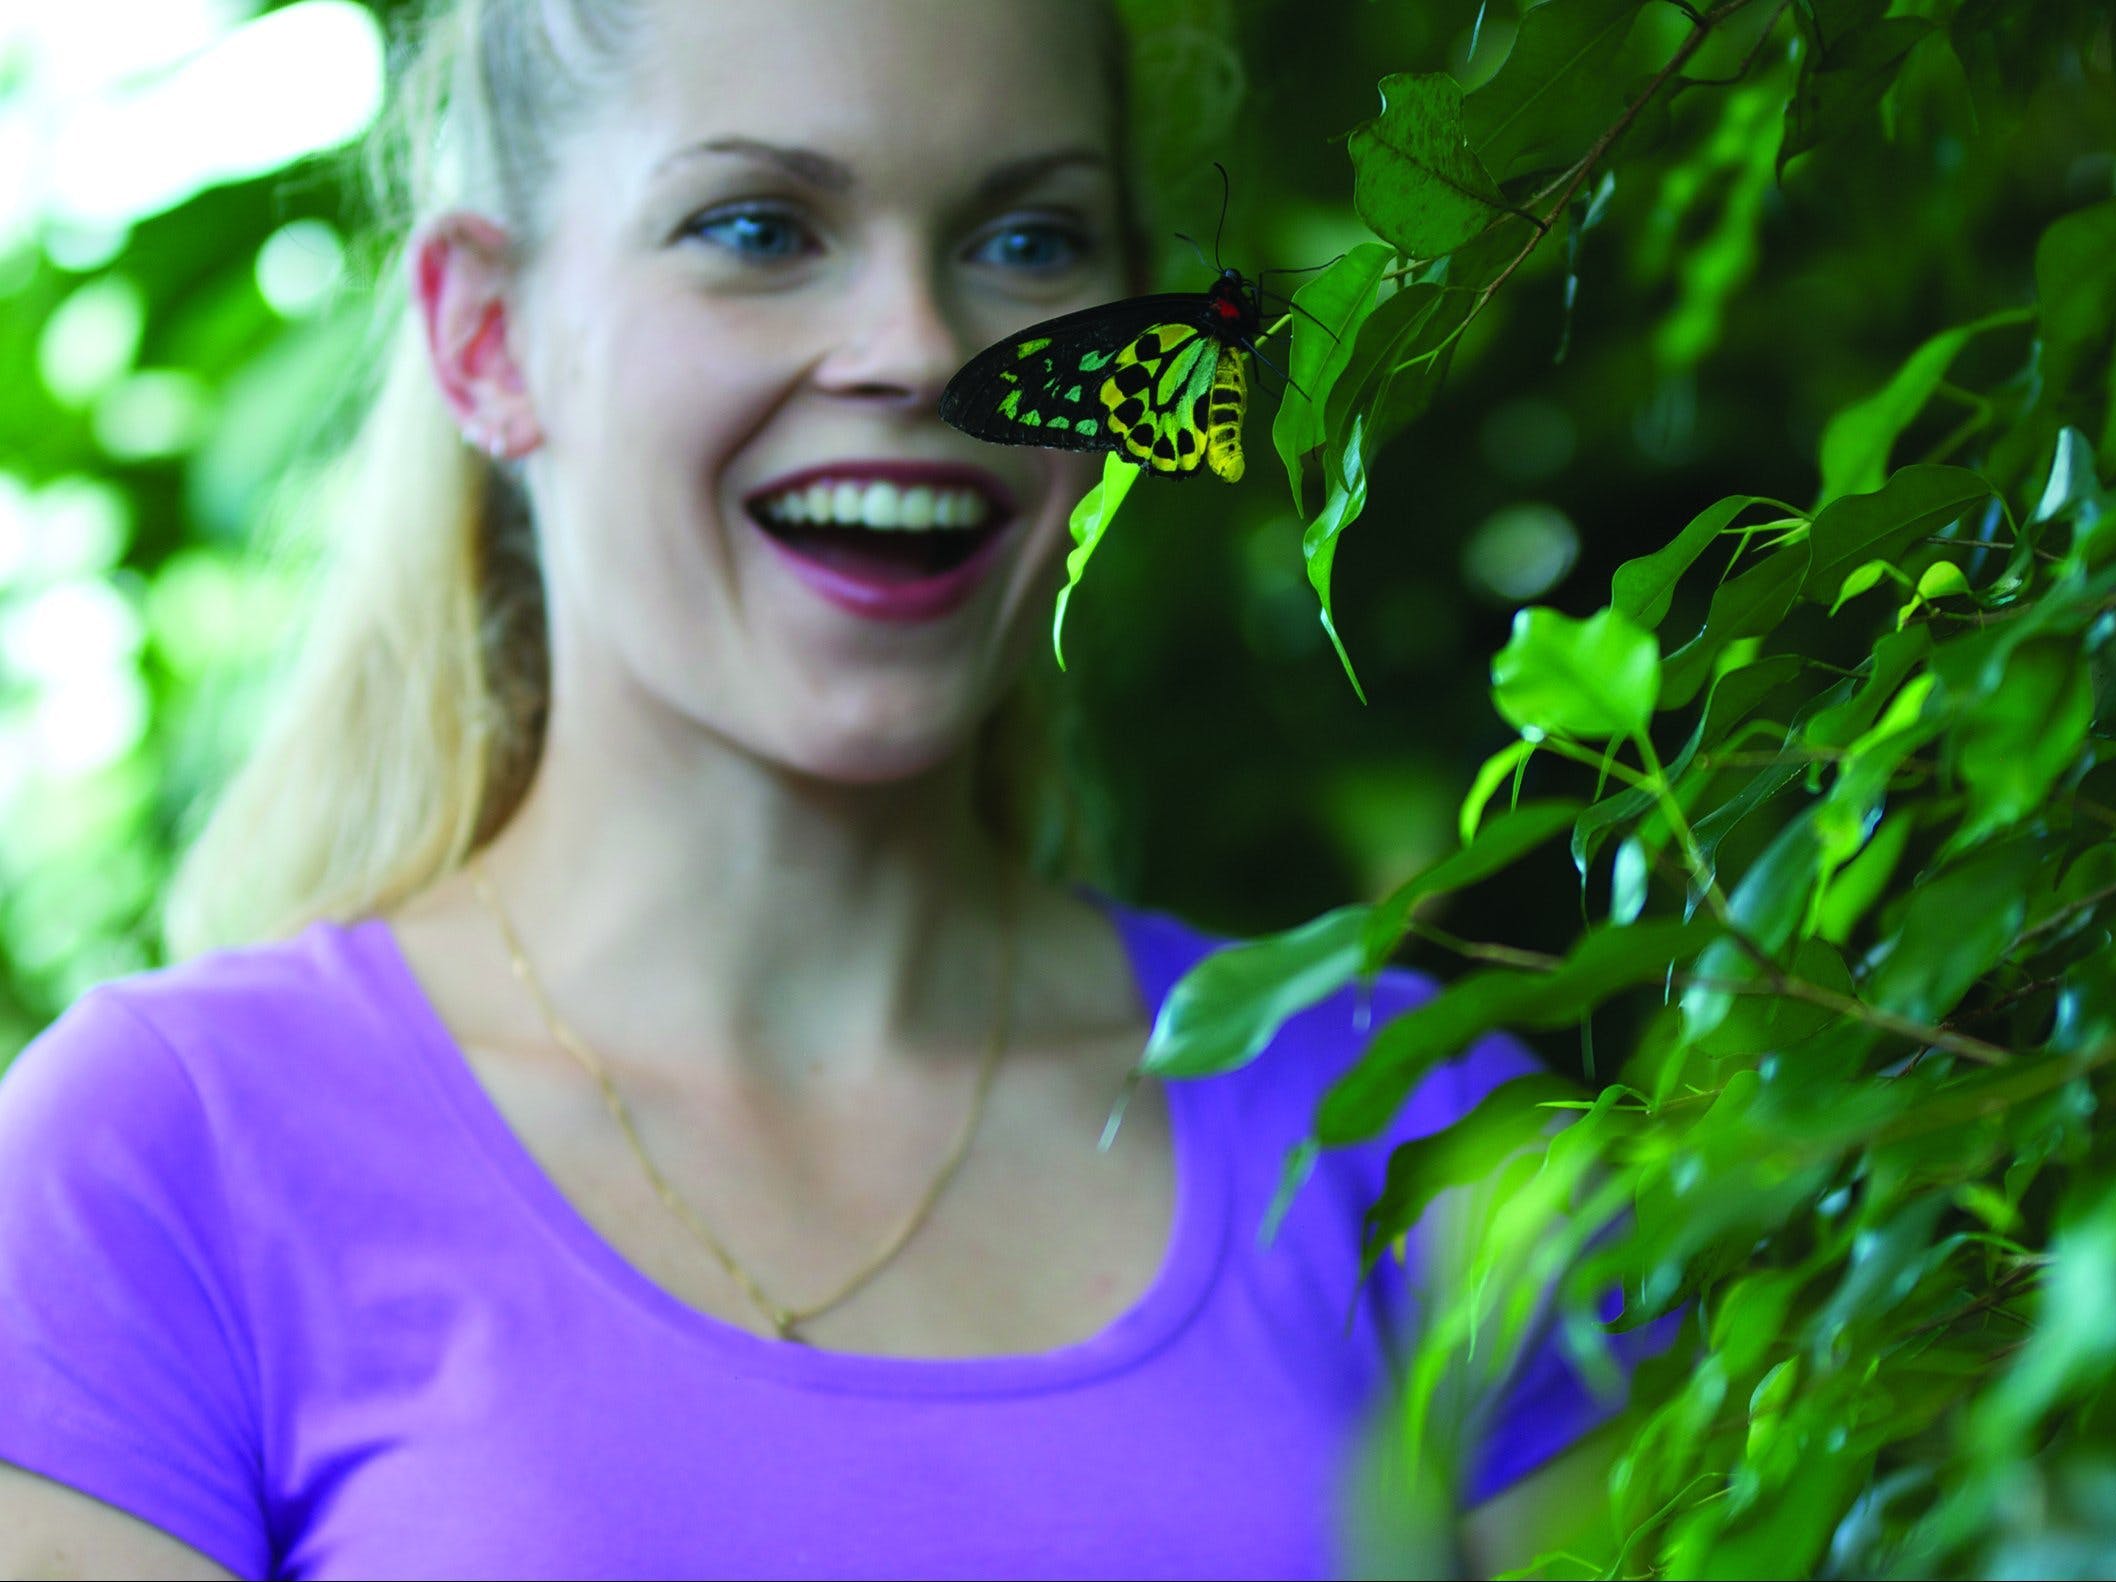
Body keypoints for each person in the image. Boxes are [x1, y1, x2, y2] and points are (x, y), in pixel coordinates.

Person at [0, 2, 1644, 1575]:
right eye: (758, 228)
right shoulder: (153, 1166)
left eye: (1028, 241)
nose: (922, 350)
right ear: (486, 335)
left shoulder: (1409, 1125)